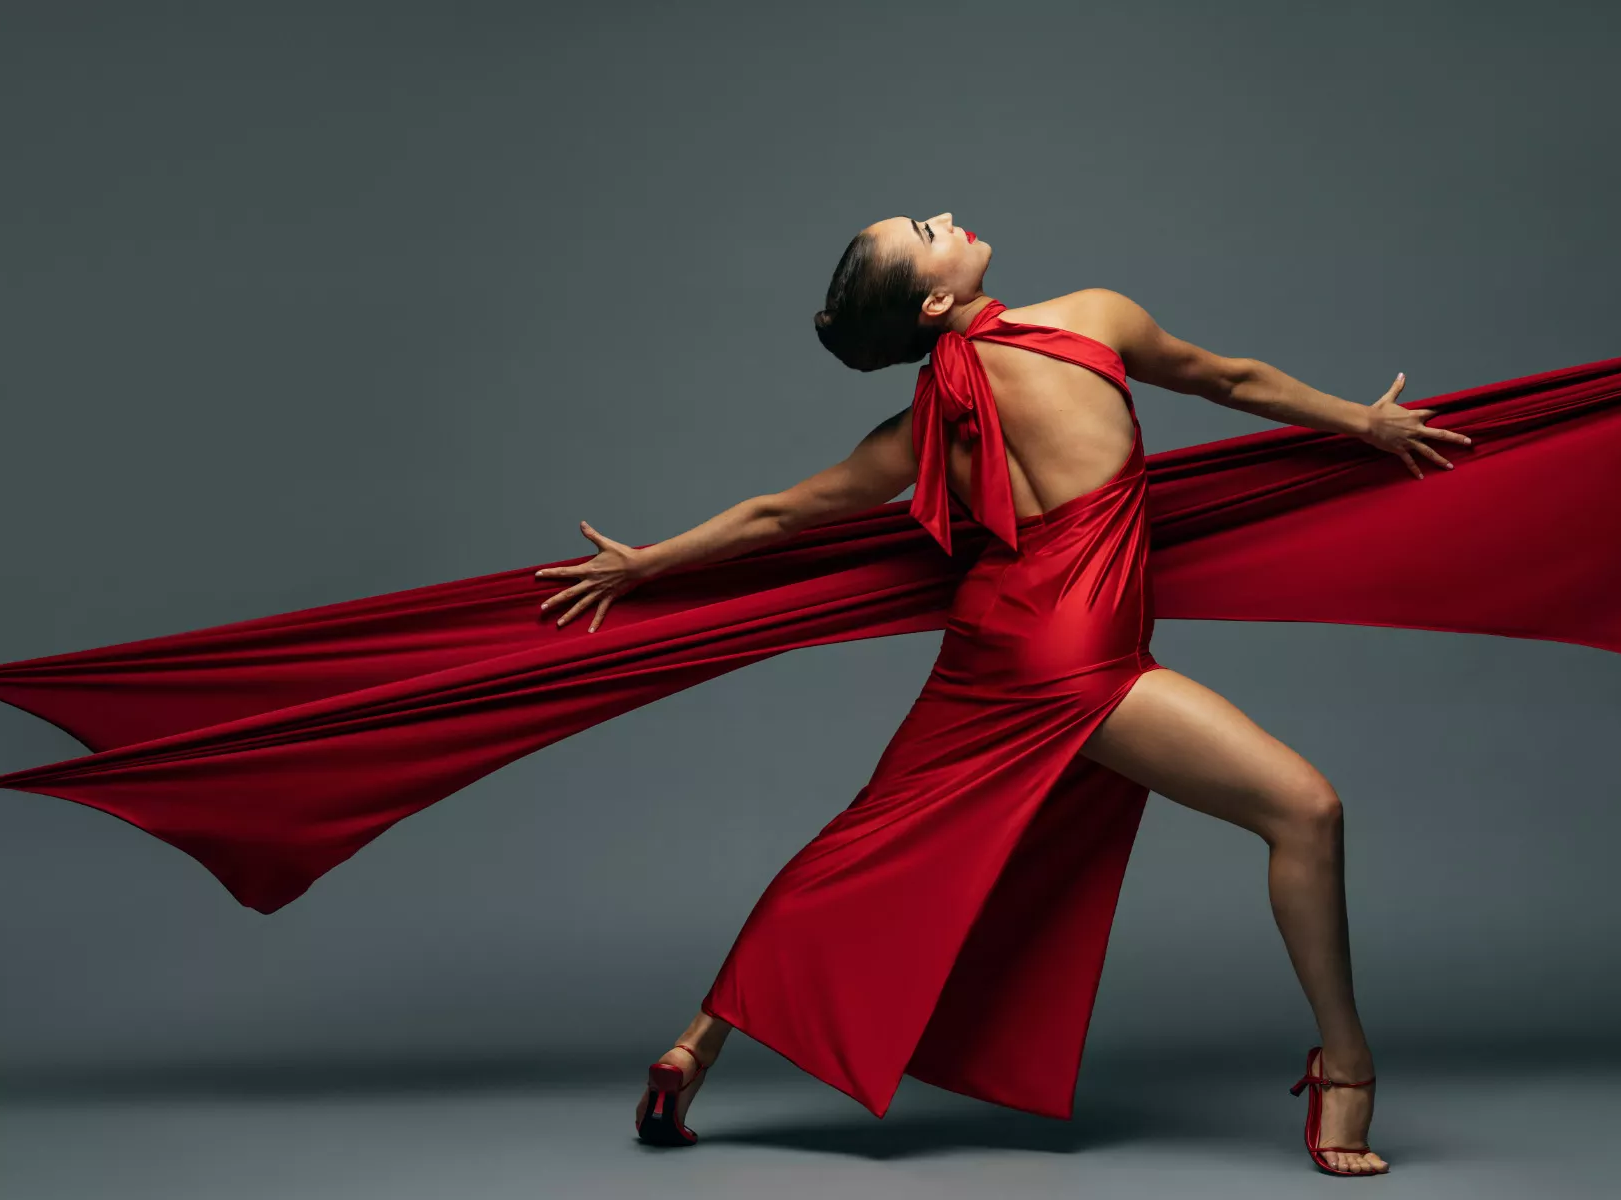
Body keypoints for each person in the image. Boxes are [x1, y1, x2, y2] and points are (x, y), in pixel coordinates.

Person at [534, 212, 1470, 1177]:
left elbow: (781, 512)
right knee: (1307, 812)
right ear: (936, 297)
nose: (946, 217)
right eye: (927, 231)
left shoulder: (917, 429)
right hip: (1082, 663)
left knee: (864, 839)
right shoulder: (1096, 319)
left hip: (986, 652)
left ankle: (693, 1049)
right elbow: (1227, 377)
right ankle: (1345, 1068)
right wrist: (1364, 421)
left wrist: (646, 566)